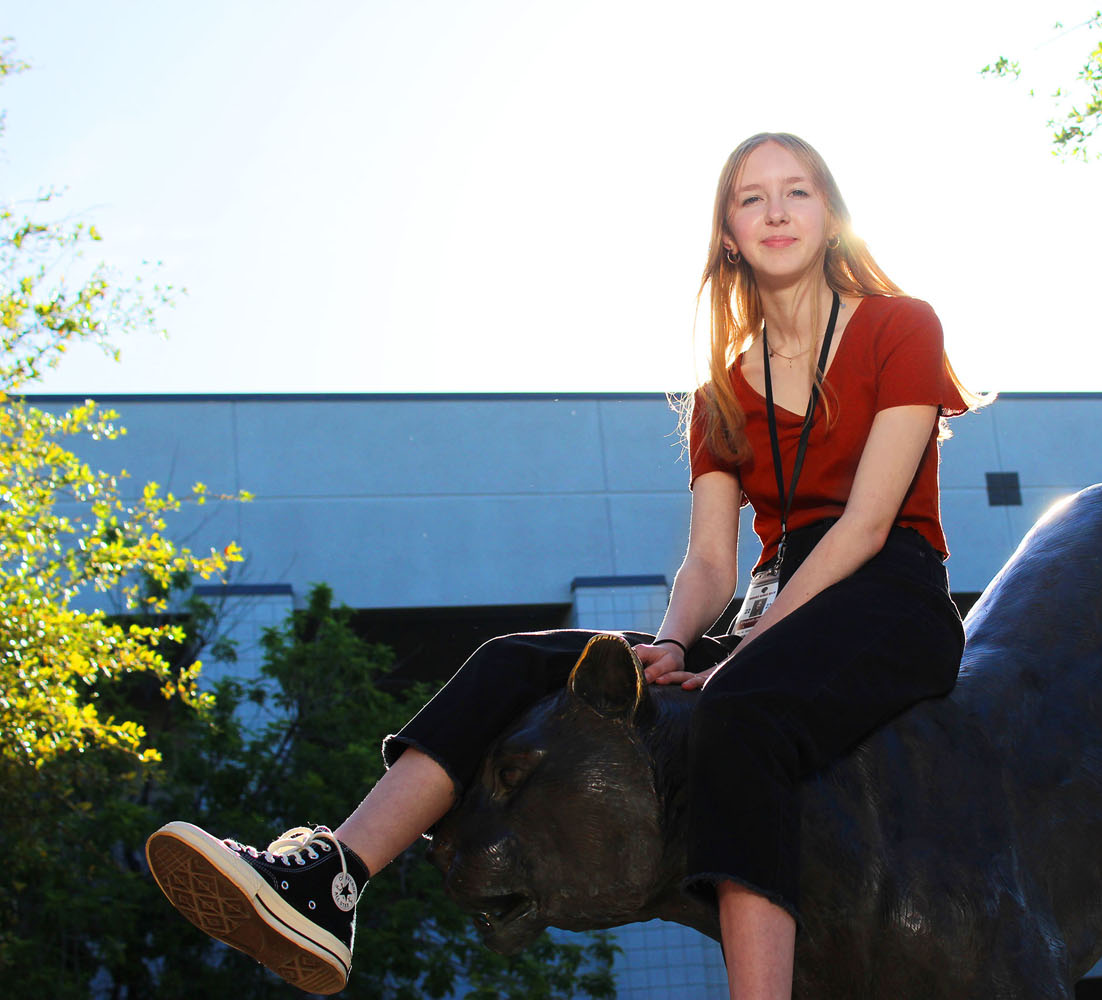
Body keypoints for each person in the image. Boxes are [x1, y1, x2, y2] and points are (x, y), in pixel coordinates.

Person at [146, 131, 978, 1000]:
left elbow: (867, 523)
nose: (775, 211)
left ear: (830, 214)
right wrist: (670, 643)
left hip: (885, 592)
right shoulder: (721, 394)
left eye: (798, 191)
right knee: (518, 661)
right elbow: (709, 558)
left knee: (736, 711)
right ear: (727, 232)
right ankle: (331, 880)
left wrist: (752, 644)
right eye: (750, 196)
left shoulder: (900, 325)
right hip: (769, 610)